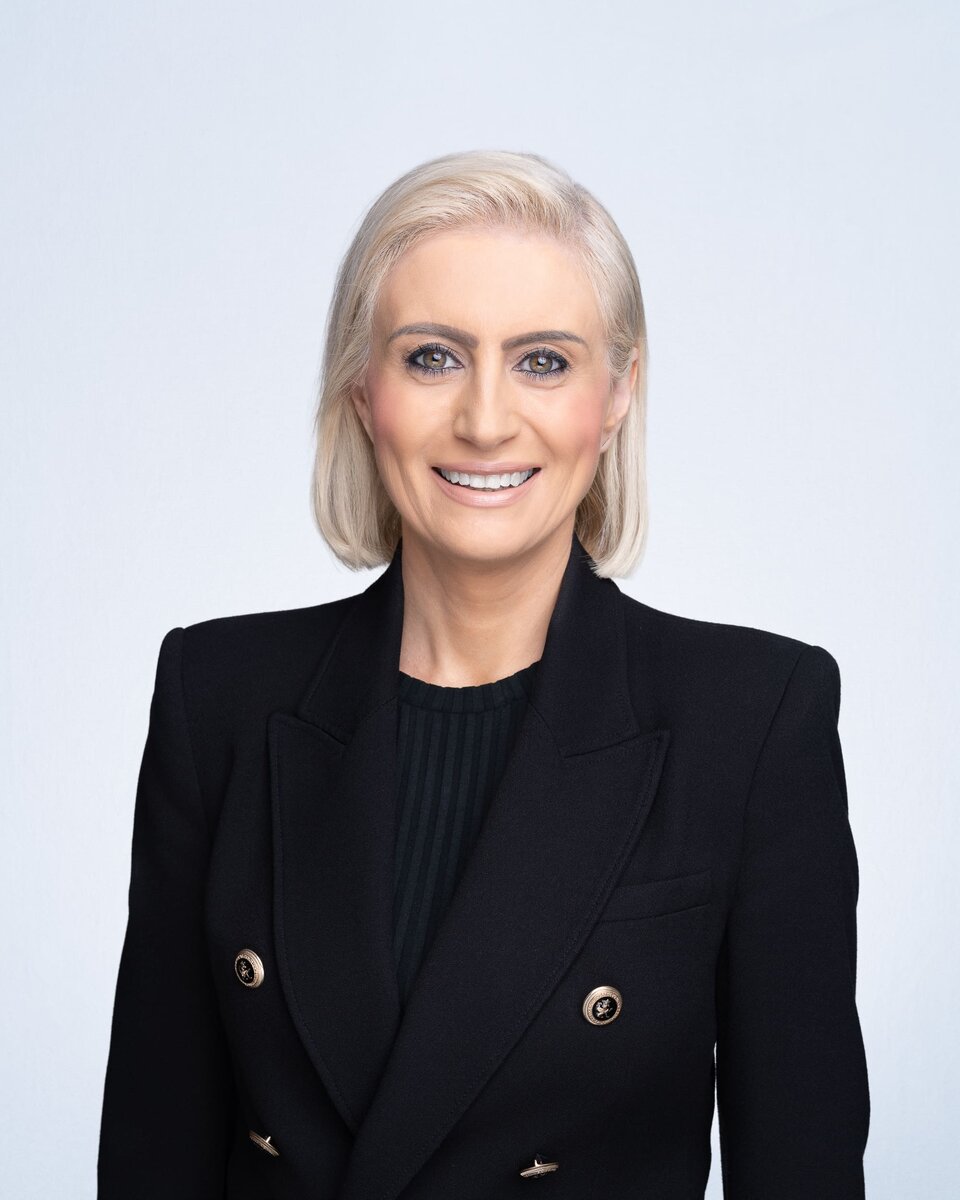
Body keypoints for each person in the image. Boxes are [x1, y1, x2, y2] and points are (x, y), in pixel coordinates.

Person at [97, 149, 870, 1199]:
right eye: (432, 357)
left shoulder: (752, 718)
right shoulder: (218, 696)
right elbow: (152, 1153)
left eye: (543, 361)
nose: (486, 419)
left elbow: (803, 1169)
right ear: (363, 391)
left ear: (618, 395)